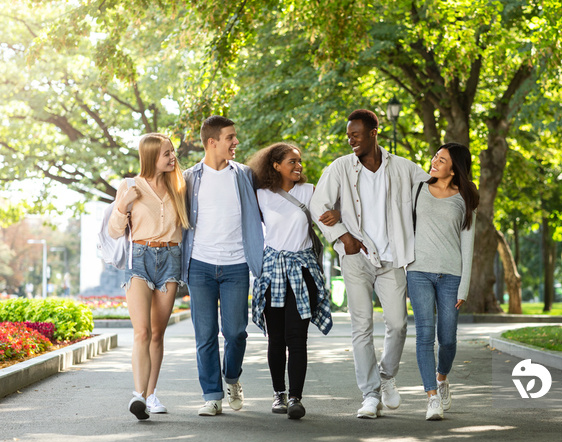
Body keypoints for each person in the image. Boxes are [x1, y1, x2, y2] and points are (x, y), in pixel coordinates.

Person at [310, 109, 429, 418]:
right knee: (361, 326)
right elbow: (317, 205)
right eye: (348, 135)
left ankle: (387, 378)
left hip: (393, 259)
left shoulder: (403, 168)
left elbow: (433, 189)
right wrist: (341, 234)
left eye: (356, 135)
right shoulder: (340, 169)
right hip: (356, 258)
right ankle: (369, 395)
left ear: (374, 132)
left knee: (398, 323)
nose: (351, 140)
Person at [181, 116, 264, 416]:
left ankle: (232, 378)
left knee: (237, 332)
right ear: (212, 142)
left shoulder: (244, 175)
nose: (236, 143)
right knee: (204, 335)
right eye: (230, 137)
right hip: (200, 266)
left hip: (236, 265)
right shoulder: (189, 178)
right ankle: (212, 395)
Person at [248, 142, 336, 419]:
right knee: (276, 339)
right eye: (292, 162)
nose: (298, 166)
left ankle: (296, 398)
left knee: (297, 338)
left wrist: (339, 214)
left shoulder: (309, 192)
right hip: (272, 272)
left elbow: (329, 216)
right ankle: (279, 395)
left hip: (303, 270)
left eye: (299, 161)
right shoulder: (261, 194)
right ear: (275, 166)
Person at [108, 133, 190, 420]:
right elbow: (114, 231)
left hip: (171, 259)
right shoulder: (130, 186)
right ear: (151, 156)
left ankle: (152, 394)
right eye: (167, 153)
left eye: (172, 152)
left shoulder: (178, 186)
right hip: (139, 259)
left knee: (157, 333)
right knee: (141, 332)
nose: (172, 157)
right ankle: (138, 395)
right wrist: (122, 205)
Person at [406, 142, 479, 420]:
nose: (435, 161)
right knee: (424, 336)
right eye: (435, 156)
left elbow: (467, 244)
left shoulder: (466, 197)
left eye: (442, 159)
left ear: (454, 167)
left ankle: (441, 378)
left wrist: (465, 285)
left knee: (447, 338)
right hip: (418, 271)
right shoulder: (418, 189)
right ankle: (431, 397)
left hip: (451, 274)